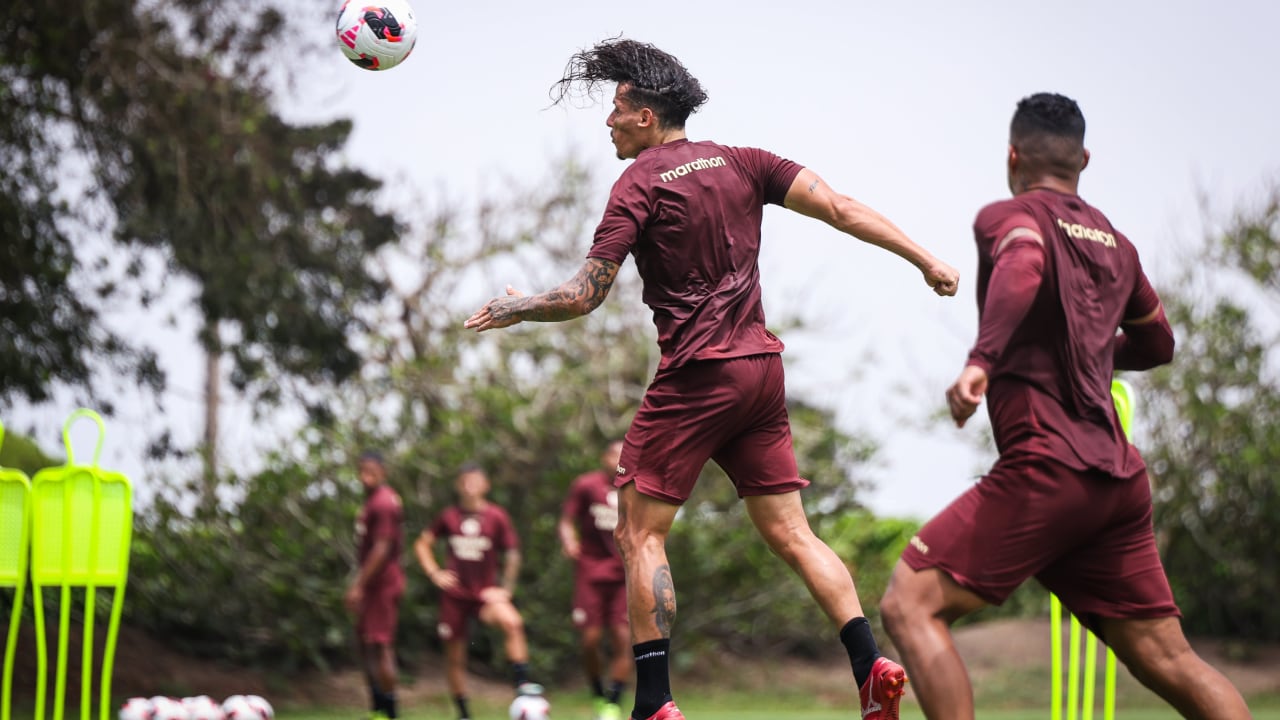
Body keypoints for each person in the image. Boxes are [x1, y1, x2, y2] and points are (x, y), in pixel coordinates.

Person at [464, 37, 960, 720]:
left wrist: (517, 308)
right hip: (762, 374)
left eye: (616, 109)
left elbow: (584, 295)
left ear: (645, 117)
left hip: (698, 376)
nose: (608, 121)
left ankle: (654, 703)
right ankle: (868, 663)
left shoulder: (638, 183)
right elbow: (842, 207)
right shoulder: (747, 161)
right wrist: (927, 259)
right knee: (792, 532)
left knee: (639, 533)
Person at [878, 92, 1252, 720]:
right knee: (1168, 657)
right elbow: (1158, 344)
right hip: (1116, 483)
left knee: (909, 603)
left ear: (1012, 156)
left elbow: (1024, 261)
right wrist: (1091, 350)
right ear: (1084, 160)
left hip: (1048, 468)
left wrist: (982, 361)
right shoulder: (1118, 245)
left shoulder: (1010, 216)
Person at [415, 463, 542, 720]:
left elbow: (513, 553)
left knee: (512, 622)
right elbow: (422, 543)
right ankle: (463, 713)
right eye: (464, 480)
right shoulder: (449, 516)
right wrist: (434, 572)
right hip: (455, 596)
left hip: (484, 595)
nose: (469, 485)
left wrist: (505, 589)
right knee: (455, 658)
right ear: (457, 485)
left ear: (486, 485)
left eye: (474, 480)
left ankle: (523, 689)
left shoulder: (496, 516)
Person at [558, 440, 631, 720]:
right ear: (604, 457)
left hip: (623, 574)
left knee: (622, 637)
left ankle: (614, 701)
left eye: (623, 455)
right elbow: (567, 521)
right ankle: (598, 693)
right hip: (590, 572)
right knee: (590, 640)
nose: (618, 459)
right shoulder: (586, 485)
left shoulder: (633, 487)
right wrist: (569, 540)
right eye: (614, 454)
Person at [345, 450, 406, 720]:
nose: (365, 477)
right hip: (372, 585)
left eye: (371, 472)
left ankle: (389, 713)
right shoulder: (372, 501)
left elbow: (382, 548)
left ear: (383, 472)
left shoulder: (383, 503)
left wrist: (358, 584)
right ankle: (377, 708)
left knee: (381, 645)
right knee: (365, 644)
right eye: (361, 471)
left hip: (382, 583)